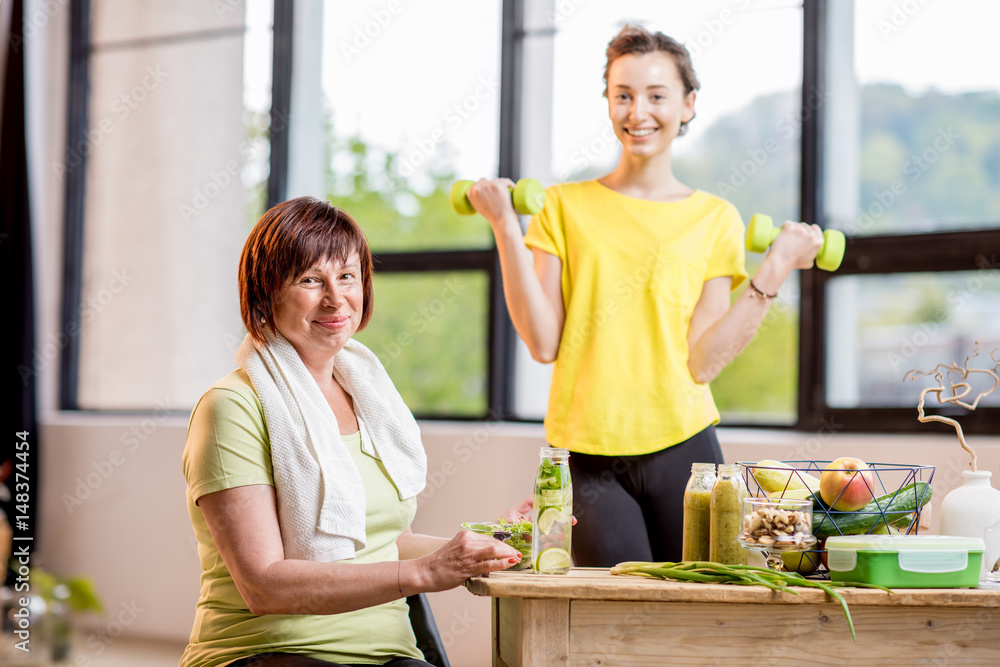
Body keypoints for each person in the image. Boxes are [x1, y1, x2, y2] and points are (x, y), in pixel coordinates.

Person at [472, 25, 824, 567]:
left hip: (685, 446)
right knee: (613, 623)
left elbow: (704, 361)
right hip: (587, 448)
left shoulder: (714, 218)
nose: (639, 111)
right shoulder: (563, 207)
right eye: (624, 95)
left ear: (687, 104)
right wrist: (503, 225)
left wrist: (777, 264)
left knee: (702, 617)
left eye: (657, 95)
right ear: (609, 103)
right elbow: (544, 342)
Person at [180, 197, 522, 667]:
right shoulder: (232, 408)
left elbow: (378, 543)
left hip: (388, 653)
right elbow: (262, 585)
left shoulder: (368, 395)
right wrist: (423, 572)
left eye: (346, 276)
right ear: (265, 293)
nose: (336, 299)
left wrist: (484, 547)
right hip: (268, 653)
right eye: (309, 280)